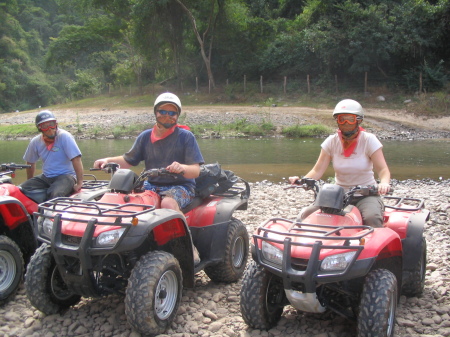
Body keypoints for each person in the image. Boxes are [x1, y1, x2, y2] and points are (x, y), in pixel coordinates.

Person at [93, 92, 204, 214]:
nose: (167, 116)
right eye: (163, 111)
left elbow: (196, 170)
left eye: (172, 113)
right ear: (156, 112)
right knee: (124, 198)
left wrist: (181, 168)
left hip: (181, 186)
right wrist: (107, 161)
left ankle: (182, 232)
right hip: (151, 184)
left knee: (168, 203)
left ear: (177, 116)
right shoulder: (145, 136)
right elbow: (127, 160)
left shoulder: (186, 137)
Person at [289, 99, 391, 227]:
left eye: (350, 119)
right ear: (337, 121)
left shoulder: (369, 140)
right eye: (342, 119)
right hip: (337, 194)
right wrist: (302, 181)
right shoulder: (331, 141)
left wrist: (384, 183)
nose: (346, 123)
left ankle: (375, 245)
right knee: (306, 215)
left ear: (358, 120)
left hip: (365, 194)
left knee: (372, 218)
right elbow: (317, 170)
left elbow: (383, 170)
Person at [21, 110, 84, 200]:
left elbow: (76, 159)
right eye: (45, 126)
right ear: (40, 128)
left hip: (66, 176)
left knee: (55, 194)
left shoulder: (64, 136)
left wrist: (79, 182)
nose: (50, 129)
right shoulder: (35, 141)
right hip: (46, 176)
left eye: (51, 124)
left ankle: (55, 212)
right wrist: (29, 180)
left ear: (56, 124)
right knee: (21, 189)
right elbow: (30, 162)